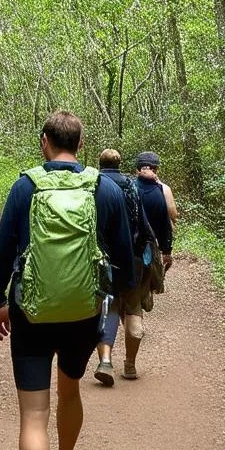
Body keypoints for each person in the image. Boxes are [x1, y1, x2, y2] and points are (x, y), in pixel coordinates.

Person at [0, 111, 134, 450]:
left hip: (31, 313)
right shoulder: (103, 188)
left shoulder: (25, 186)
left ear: (44, 142)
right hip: (83, 313)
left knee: (34, 413)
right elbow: (124, 258)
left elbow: (1, 248)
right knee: (70, 388)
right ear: (81, 142)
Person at [92, 148, 156, 386]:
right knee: (133, 308)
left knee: (108, 307)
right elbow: (143, 224)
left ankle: (105, 361)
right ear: (120, 164)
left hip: (103, 258)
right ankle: (130, 364)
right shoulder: (131, 186)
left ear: (100, 163)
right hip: (132, 259)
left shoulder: (94, 185)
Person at [126, 150, 177, 379]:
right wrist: (167, 251)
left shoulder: (127, 187)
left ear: (138, 168)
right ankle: (135, 323)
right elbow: (171, 217)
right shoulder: (163, 190)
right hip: (150, 250)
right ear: (156, 169)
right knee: (140, 293)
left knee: (124, 296)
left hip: (127, 250)